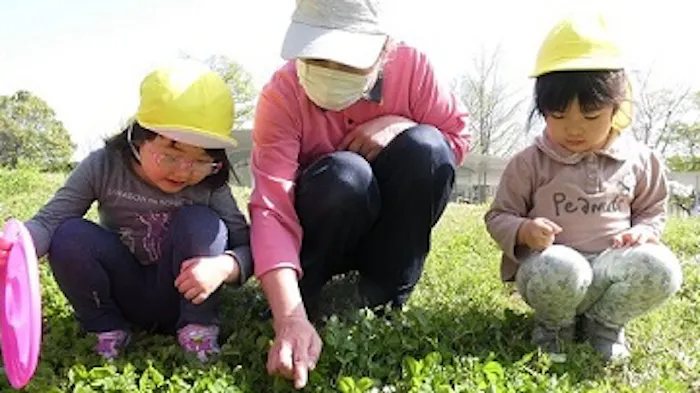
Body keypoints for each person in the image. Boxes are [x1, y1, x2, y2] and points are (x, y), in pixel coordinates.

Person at [249, 0, 471, 388]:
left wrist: (399, 124)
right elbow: (272, 207)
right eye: (318, 58)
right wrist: (288, 316)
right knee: (347, 175)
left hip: (389, 230)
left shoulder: (413, 69)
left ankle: (385, 291)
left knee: (427, 148)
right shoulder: (282, 94)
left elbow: (455, 137)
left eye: (349, 63)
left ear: (385, 51)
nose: (332, 73)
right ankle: (309, 291)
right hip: (323, 226)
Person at [0, 60, 252, 362]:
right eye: (170, 155)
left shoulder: (210, 185)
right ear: (137, 136)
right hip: (124, 290)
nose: (184, 171)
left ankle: (198, 328)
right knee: (69, 233)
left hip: (184, 294)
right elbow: (49, 221)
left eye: (201, 160)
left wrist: (225, 266)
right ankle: (105, 328)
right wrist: (16, 248)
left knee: (202, 223)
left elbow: (248, 244)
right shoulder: (103, 166)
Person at [484, 13, 683, 363]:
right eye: (558, 117)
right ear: (542, 110)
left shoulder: (639, 159)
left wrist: (643, 231)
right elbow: (499, 215)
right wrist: (525, 230)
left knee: (664, 268)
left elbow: (652, 209)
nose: (573, 130)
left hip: (611, 271)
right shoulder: (530, 162)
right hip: (552, 270)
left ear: (617, 108)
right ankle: (554, 327)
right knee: (563, 266)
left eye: (590, 118)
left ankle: (604, 325)